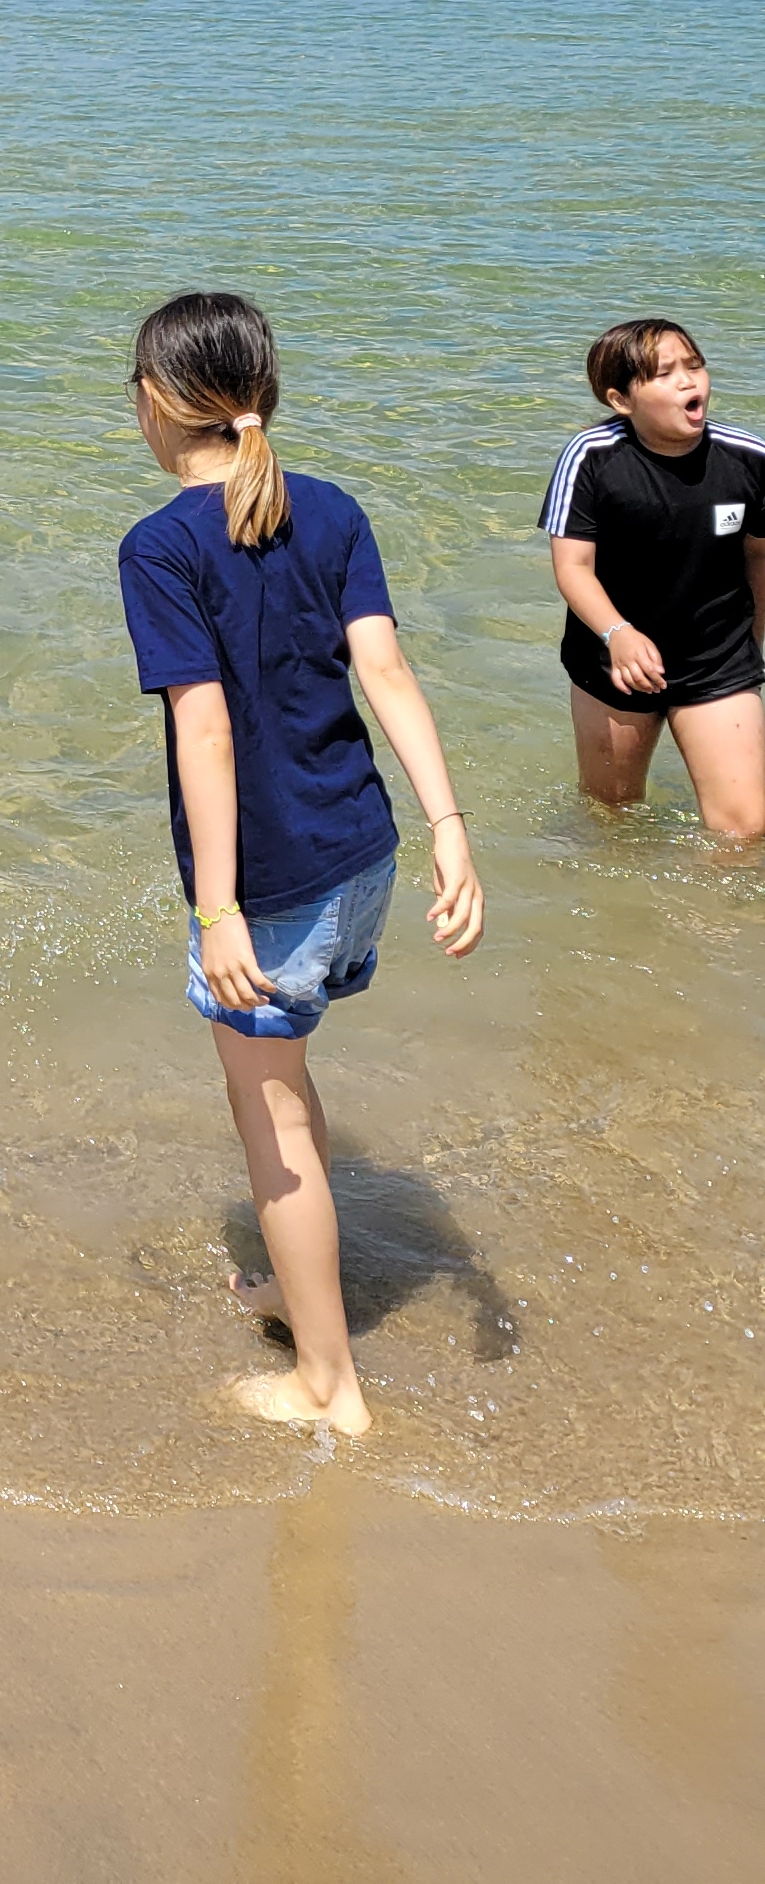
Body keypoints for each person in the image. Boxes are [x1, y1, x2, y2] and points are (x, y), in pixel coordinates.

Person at [117, 292, 484, 1436]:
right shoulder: (331, 509)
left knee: (269, 1120)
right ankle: (299, 1288)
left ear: (154, 403)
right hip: (363, 849)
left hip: (270, 881)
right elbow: (388, 673)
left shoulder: (160, 544)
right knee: (289, 1084)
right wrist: (449, 825)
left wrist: (216, 905)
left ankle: (326, 1381)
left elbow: (206, 733)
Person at [538, 317, 765, 843]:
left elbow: (760, 556)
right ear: (621, 400)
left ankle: (708, 901)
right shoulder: (591, 458)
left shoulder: (749, 458)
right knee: (611, 816)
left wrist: (752, 639)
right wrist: (617, 634)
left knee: (745, 830)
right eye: (664, 374)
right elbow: (573, 568)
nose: (689, 381)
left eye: (694, 366)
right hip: (612, 658)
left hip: (718, 657)